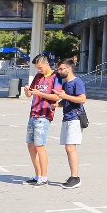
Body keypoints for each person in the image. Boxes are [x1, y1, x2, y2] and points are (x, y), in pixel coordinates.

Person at [22, 54, 59, 186]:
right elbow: (30, 93)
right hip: (33, 114)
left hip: (44, 115)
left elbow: (56, 97)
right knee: (30, 145)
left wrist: (41, 94)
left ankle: (44, 176)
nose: (39, 70)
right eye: (37, 68)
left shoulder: (55, 77)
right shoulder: (38, 77)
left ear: (47, 63)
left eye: (40, 67)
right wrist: (28, 91)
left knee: (39, 146)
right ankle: (37, 174)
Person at [55, 59, 86, 190]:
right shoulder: (65, 83)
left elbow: (82, 99)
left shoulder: (77, 82)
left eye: (62, 69)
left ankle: (75, 177)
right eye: (59, 69)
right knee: (68, 149)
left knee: (70, 148)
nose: (59, 71)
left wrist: (65, 96)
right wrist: (56, 104)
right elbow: (65, 101)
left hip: (75, 119)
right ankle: (72, 176)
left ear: (69, 69)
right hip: (66, 118)